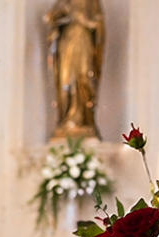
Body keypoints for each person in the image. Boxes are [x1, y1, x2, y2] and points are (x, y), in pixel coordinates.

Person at [46, 0, 105, 138]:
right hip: (66, 42)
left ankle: (83, 120)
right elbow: (50, 17)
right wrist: (62, 15)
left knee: (83, 78)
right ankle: (67, 119)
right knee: (66, 80)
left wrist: (85, 21)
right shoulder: (64, 1)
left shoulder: (92, 2)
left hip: (83, 41)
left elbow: (99, 24)